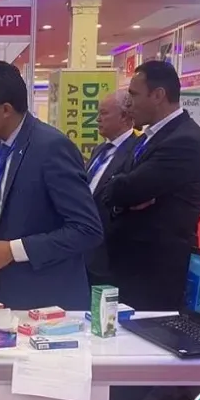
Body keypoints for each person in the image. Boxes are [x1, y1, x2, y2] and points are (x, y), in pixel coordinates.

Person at [0, 61, 103, 310]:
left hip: (43, 301)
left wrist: (12, 250)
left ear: (5, 109)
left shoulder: (51, 148)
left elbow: (87, 230)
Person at [102, 60, 200, 311]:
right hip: (131, 264)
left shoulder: (185, 141)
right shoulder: (151, 137)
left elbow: (126, 189)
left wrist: (122, 192)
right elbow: (115, 184)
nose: (128, 104)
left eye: (133, 95)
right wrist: (122, 195)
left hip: (156, 270)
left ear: (158, 95)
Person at [86, 90, 137, 287]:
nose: (98, 119)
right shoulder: (100, 150)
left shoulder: (136, 151)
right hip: (86, 249)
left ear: (124, 116)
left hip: (111, 253)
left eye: (104, 113)